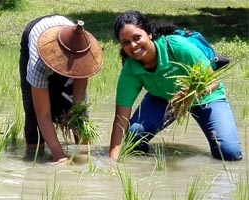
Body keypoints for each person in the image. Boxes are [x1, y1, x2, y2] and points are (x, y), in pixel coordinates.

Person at [109, 10, 242, 161]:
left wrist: (191, 94)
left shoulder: (177, 46)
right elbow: (121, 119)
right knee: (133, 140)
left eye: (137, 37)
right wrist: (113, 161)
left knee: (229, 154)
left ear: (149, 34)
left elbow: (213, 81)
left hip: (205, 97)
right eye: (125, 42)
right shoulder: (130, 69)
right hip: (164, 100)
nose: (133, 45)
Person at [19, 14, 103, 163]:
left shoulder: (83, 53)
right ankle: (34, 153)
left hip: (68, 37)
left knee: (78, 114)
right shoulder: (38, 63)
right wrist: (59, 155)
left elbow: (80, 88)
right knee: (33, 112)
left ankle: (83, 151)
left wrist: (75, 109)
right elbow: (43, 114)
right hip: (35, 34)